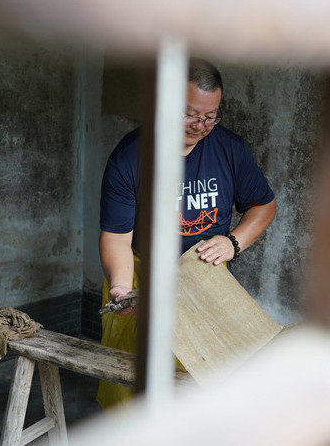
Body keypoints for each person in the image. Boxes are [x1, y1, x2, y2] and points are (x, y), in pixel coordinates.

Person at [97, 58, 276, 408]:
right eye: (190, 114)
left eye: (211, 116)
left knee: (199, 378)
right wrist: (121, 287)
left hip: (204, 275)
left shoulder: (230, 150)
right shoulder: (131, 157)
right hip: (140, 273)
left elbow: (263, 206)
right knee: (129, 379)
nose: (201, 125)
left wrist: (233, 242)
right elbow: (117, 236)